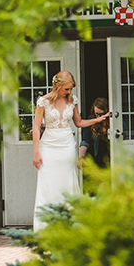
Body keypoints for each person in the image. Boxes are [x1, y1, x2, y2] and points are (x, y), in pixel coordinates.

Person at [32, 70, 110, 231]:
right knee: (48, 183)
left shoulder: (72, 100)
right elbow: (36, 128)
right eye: (66, 89)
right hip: (48, 146)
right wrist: (36, 152)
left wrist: (97, 119)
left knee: (67, 181)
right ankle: (47, 223)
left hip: (67, 144)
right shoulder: (43, 102)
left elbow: (79, 122)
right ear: (57, 85)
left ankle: (69, 222)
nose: (69, 92)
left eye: (70, 89)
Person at [79, 97, 111, 169]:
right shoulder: (92, 119)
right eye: (97, 114)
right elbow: (85, 140)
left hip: (112, 156)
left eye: (101, 114)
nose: (99, 117)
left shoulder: (113, 120)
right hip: (98, 156)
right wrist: (81, 157)